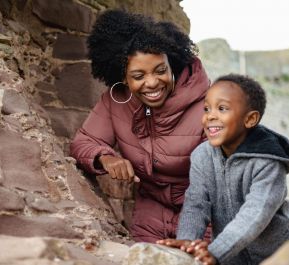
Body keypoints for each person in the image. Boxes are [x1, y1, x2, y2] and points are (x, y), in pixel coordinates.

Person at [70, 9, 209, 242]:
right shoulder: (115, 101)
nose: (152, 82)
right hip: (150, 212)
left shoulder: (210, 105)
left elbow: (223, 175)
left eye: (160, 70)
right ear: (124, 77)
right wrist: (106, 158)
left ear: (171, 65)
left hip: (204, 212)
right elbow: (84, 142)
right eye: (138, 76)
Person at [157, 74, 289, 265]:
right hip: (233, 257)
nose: (210, 116)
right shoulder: (201, 156)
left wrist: (216, 252)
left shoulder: (268, 162)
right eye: (206, 109)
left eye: (222, 108)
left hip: (279, 254)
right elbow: (196, 204)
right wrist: (187, 243)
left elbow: (255, 214)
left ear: (250, 119)